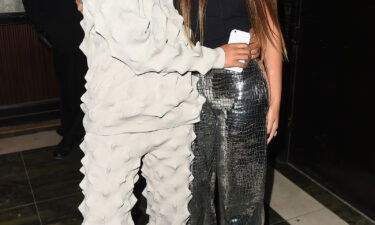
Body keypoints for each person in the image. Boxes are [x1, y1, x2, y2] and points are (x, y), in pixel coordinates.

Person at [75, 0, 260, 224]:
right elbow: (137, 51)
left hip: (175, 117)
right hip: (119, 121)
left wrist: (249, 41)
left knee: (172, 217)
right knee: (105, 216)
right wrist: (216, 57)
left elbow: (179, 34)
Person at [174, 0, 286, 224]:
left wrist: (275, 103)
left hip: (240, 87)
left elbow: (270, 29)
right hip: (187, 87)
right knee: (191, 191)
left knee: (242, 196)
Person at [22, 0, 87, 159]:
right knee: (70, 83)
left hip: (82, 24)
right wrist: (44, 28)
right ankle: (71, 128)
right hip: (63, 27)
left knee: (79, 83)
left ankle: (72, 132)